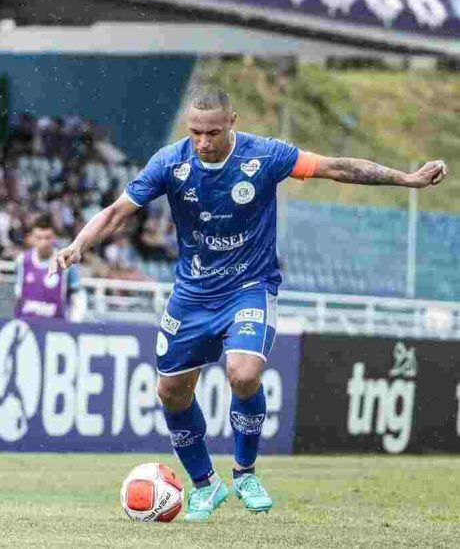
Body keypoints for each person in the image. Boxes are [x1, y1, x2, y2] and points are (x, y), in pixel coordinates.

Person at [48, 85, 448, 522]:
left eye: (213, 132)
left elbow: (335, 167)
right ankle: (205, 485)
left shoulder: (266, 156)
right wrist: (78, 244)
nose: (203, 142)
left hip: (249, 287)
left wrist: (405, 178)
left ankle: (245, 473)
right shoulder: (170, 161)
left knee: (244, 373)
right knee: (171, 391)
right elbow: (117, 211)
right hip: (193, 293)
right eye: (196, 132)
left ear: (232, 122)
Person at [16, 214, 84, 321]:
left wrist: (74, 324)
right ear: (32, 238)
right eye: (39, 238)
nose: (43, 242)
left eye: (47, 238)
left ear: (54, 238)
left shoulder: (65, 261)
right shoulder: (22, 260)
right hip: (27, 325)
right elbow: (18, 295)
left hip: (56, 328)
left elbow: (78, 296)